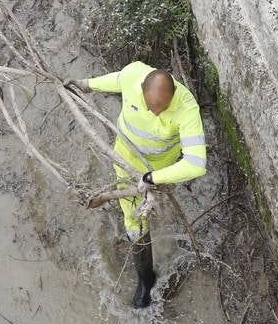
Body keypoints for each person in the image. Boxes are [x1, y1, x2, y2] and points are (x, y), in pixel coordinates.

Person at [67, 61, 208, 308]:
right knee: (135, 223)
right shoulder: (134, 75)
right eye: (151, 107)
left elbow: (196, 164)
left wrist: (152, 178)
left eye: (161, 109)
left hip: (156, 172)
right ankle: (146, 277)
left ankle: (145, 276)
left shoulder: (186, 108)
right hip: (123, 160)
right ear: (141, 88)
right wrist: (86, 85)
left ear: (173, 96)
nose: (156, 113)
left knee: (143, 212)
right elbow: (117, 79)